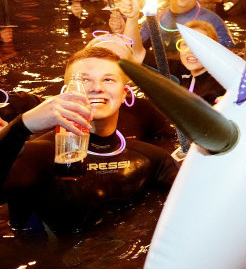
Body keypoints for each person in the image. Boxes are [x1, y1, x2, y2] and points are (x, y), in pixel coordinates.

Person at [0, 47, 177, 234]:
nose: (97, 88)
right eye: (83, 80)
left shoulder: (153, 159)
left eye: (108, 79)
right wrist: (21, 126)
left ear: (124, 93)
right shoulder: (35, 156)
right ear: (65, 92)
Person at [137, 0, 233, 66]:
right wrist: (131, 18)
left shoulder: (213, 22)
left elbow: (229, 60)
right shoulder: (153, 21)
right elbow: (133, 52)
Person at [177, 20, 227, 105]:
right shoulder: (178, 73)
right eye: (186, 44)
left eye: (199, 45)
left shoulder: (220, 89)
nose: (190, 50)